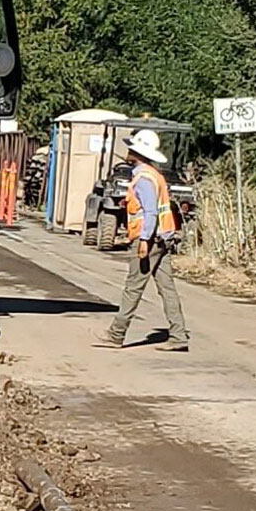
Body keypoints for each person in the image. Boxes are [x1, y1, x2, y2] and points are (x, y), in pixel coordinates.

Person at [93, 130, 190, 352]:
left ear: (138, 152)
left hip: (150, 239)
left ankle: (116, 334)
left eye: (131, 148)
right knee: (167, 288)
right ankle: (178, 335)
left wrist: (144, 240)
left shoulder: (144, 178)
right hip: (163, 238)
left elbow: (151, 212)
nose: (128, 151)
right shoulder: (153, 175)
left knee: (133, 287)